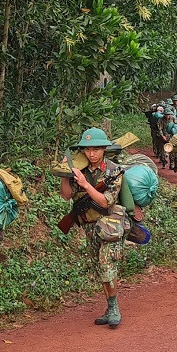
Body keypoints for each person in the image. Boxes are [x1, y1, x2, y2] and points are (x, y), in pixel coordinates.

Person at [60, 128, 127, 328]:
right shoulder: (79, 169)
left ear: (104, 149)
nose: (92, 154)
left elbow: (107, 202)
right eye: (88, 149)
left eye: (97, 149)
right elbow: (66, 195)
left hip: (109, 226)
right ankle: (109, 306)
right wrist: (65, 174)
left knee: (107, 267)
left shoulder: (113, 170)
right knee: (100, 269)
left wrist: (86, 185)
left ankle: (114, 308)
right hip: (89, 226)